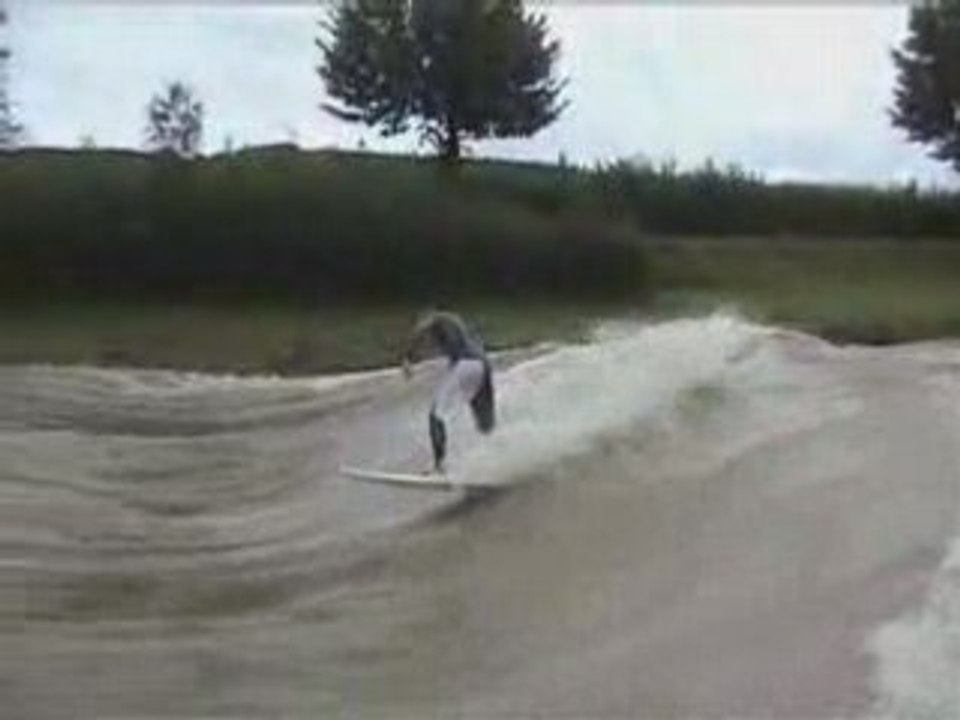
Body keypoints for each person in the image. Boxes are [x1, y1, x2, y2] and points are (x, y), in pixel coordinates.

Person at [401, 310, 496, 474]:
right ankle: (500, 460)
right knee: (485, 425)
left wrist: (408, 358)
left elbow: (423, 329)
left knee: (436, 415)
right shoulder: (459, 326)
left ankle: (439, 466)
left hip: (468, 365)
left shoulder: (438, 320)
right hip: (483, 366)